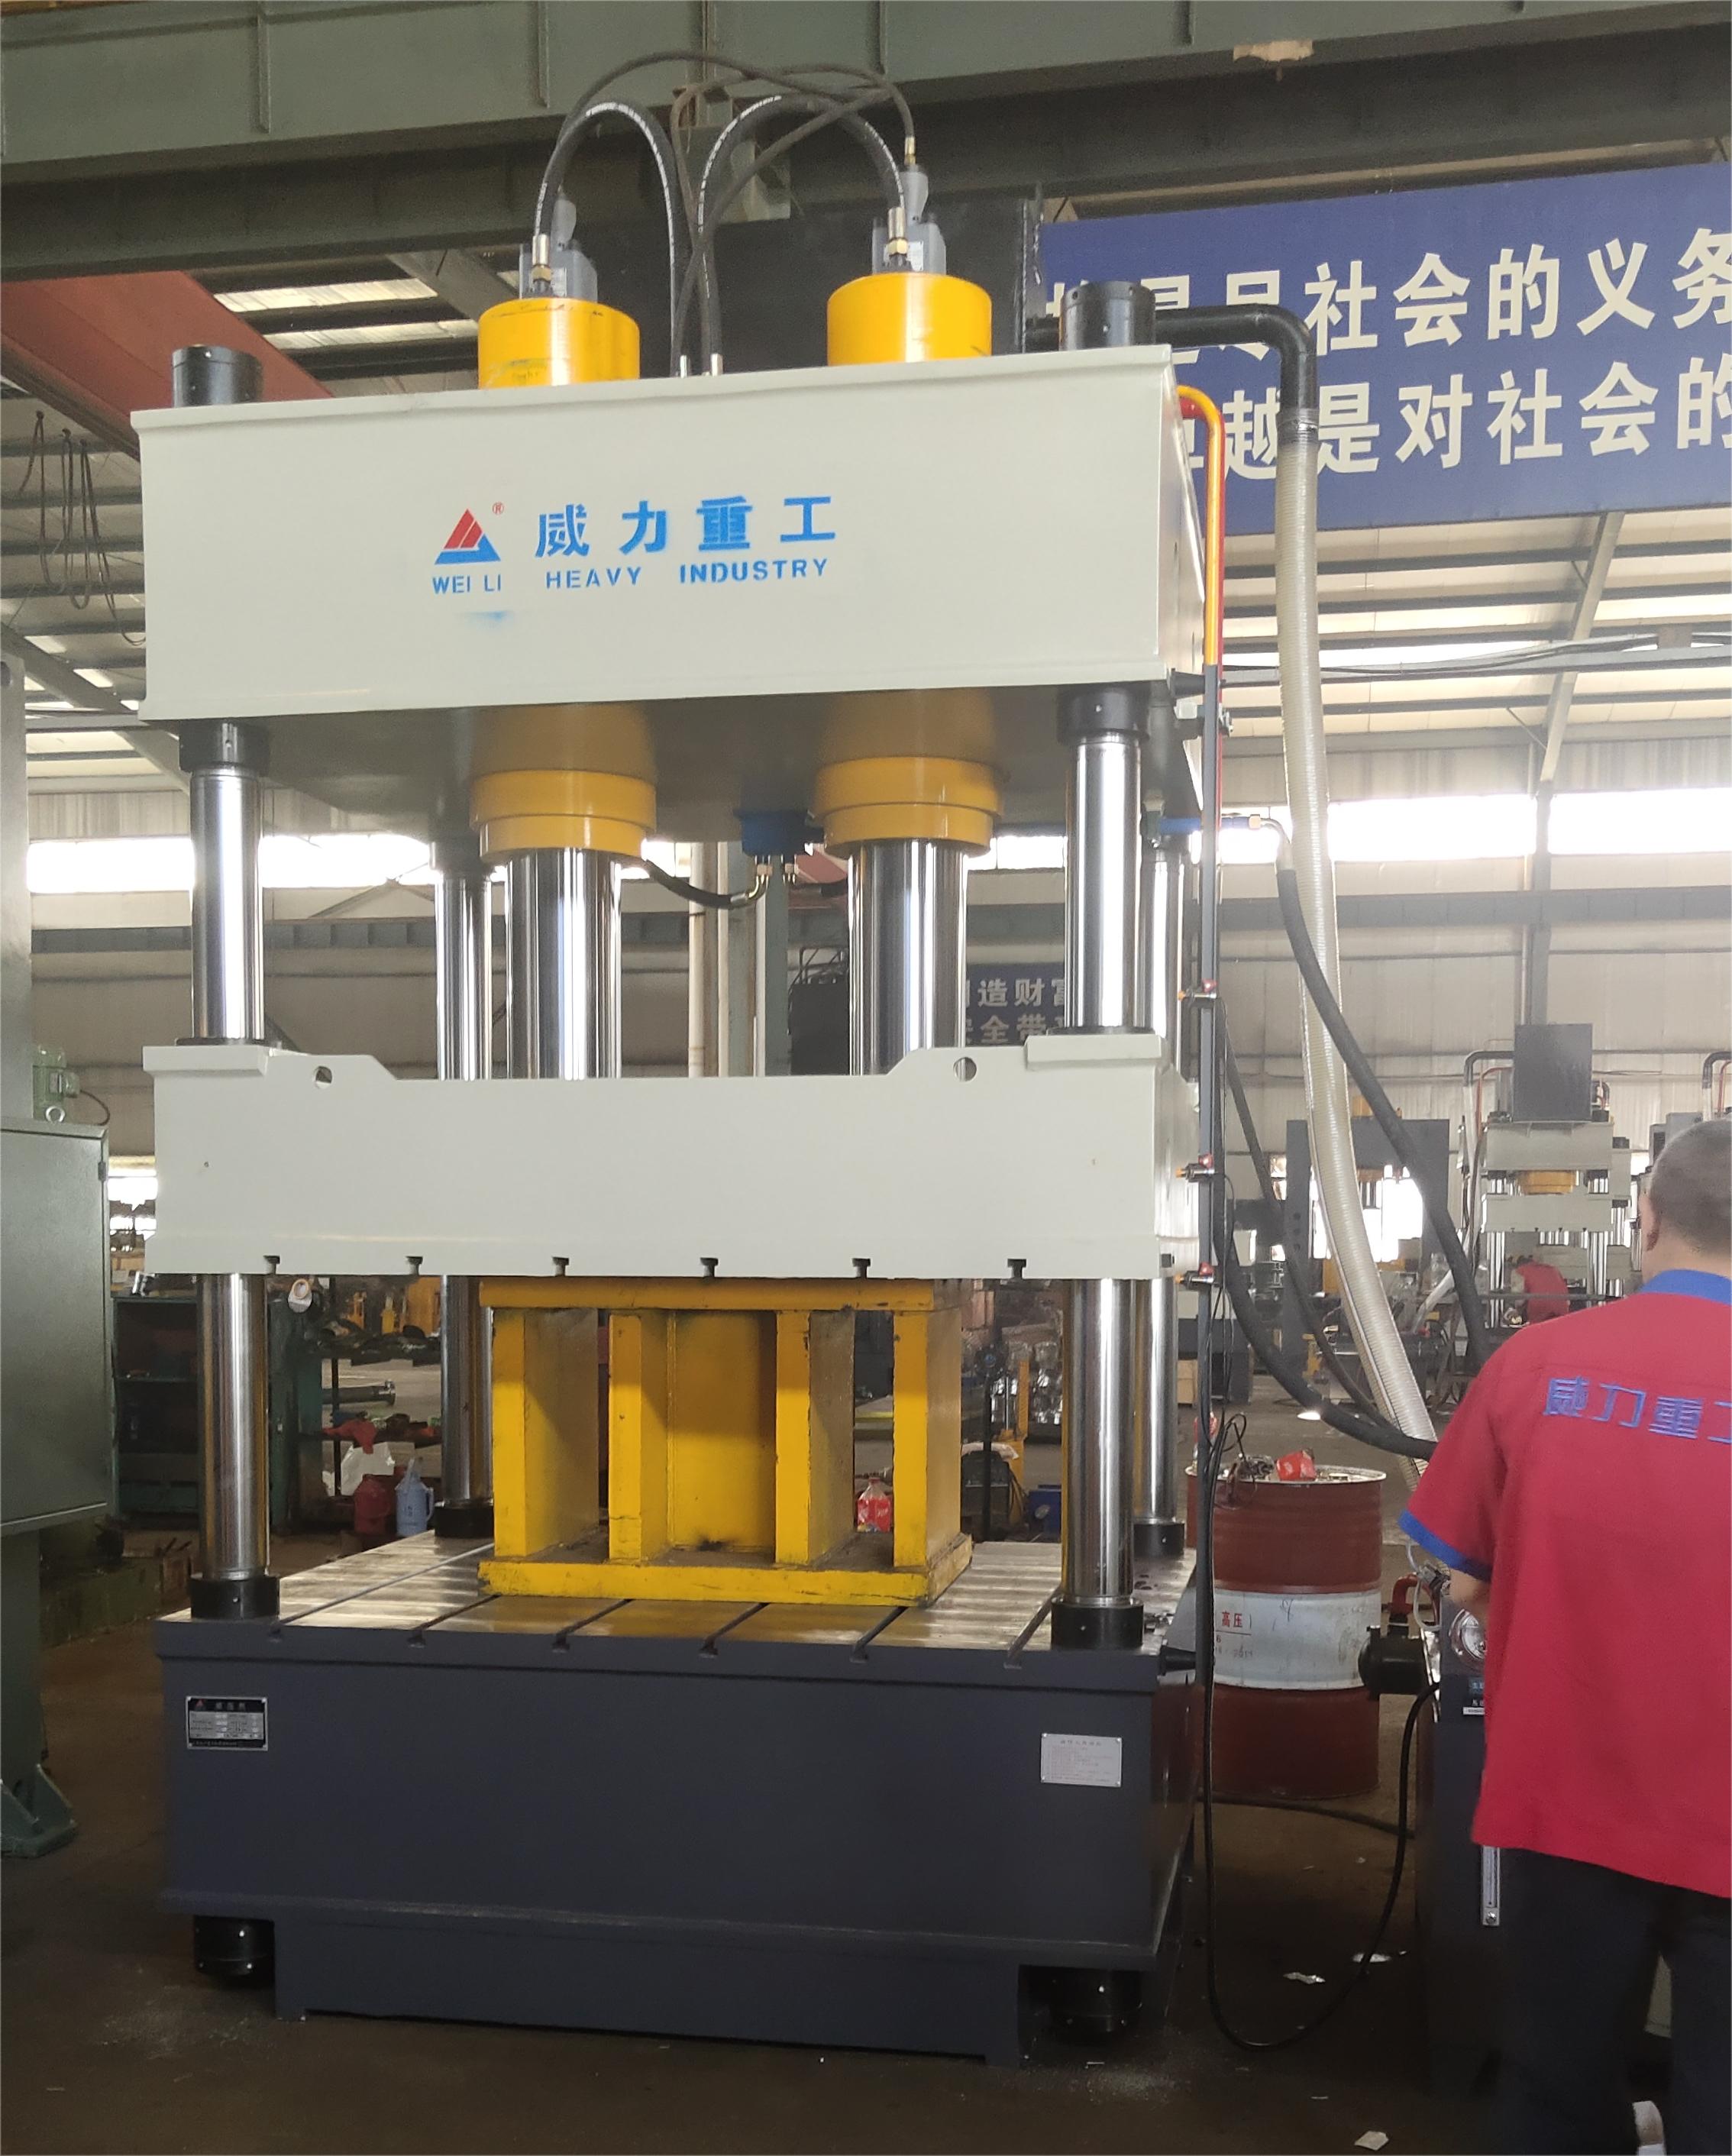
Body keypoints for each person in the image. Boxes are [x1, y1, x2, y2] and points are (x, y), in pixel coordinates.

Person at [1400, 1116, 1731, 2156]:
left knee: (1556, 2094)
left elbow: (1459, 1573)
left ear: (1647, 1218)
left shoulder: (1537, 1366)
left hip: (1569, 1804)